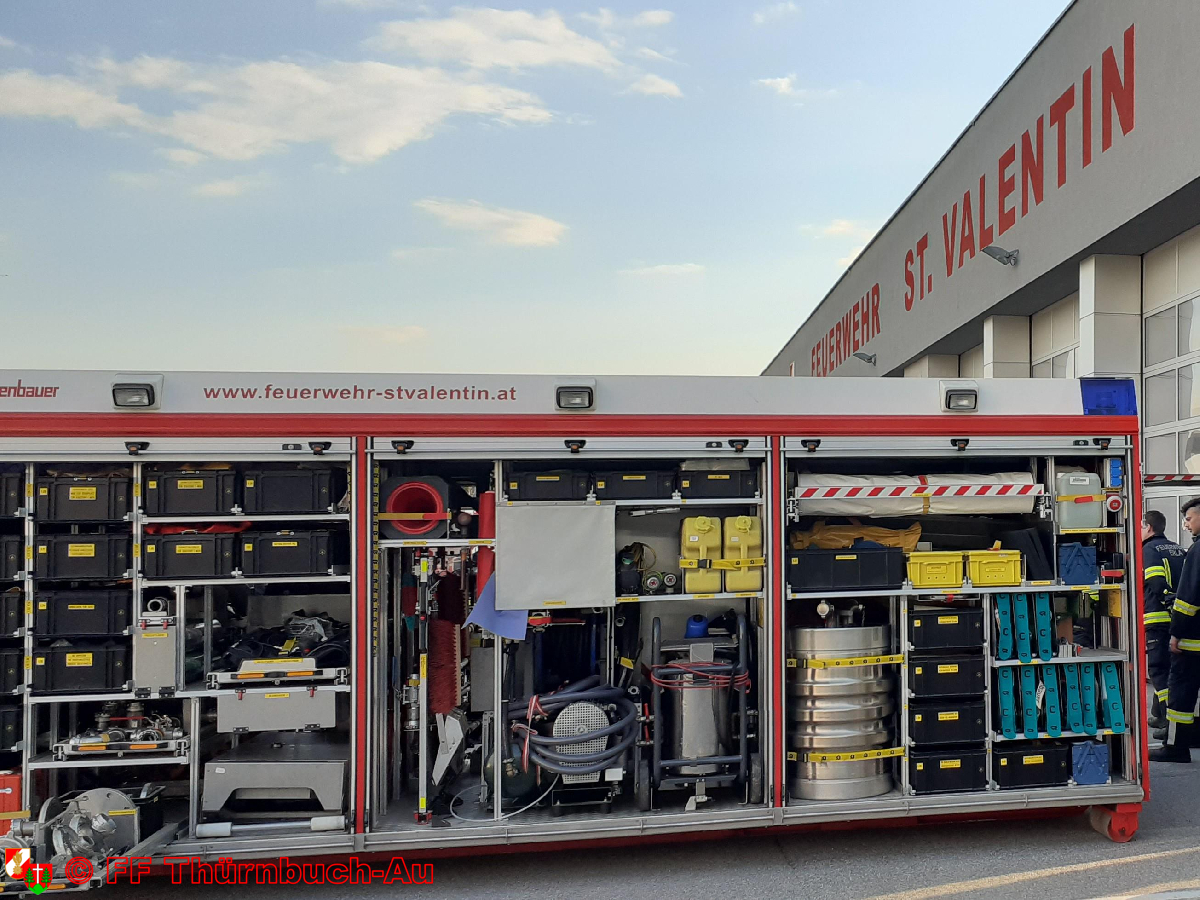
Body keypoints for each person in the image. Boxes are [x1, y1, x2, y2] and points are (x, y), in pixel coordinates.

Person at [1152, 497, 1200, 762]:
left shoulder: (1198, 549)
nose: (1186, 525)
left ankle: (1176, 747)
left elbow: (1188, 598)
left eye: (1189, 519)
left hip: (1192, 639)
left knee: (1180, 693)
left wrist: (1176, 631)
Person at [1142, 510, 1186, 735]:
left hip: (1158, 618)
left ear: (1149, 527)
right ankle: (1158, 714)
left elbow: (1156, 580)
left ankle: (1168, 723)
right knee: (1172, 669)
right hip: (1180, 619)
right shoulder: (1177, 548)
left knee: (1159, 670)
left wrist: (1168, 603)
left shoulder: (1148, 549)